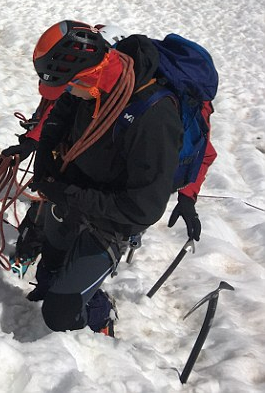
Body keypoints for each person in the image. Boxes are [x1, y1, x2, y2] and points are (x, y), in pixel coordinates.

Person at [13, 21, 182, 335]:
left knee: (59, 314)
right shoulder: (90, 88)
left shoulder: (154, 117)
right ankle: (62, 284)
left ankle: (100, 314)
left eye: (69, 86)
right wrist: (46, 171)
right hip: (71, 193)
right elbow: (57, 119)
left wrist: (68, 194)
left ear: (87, 77)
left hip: (111, 220)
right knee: (49, 275)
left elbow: (143, 207)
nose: (66, 93)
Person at [5, 23, 216, 258]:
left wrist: (188, 197)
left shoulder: (157, 113)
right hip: (83, 180)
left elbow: (201, 151)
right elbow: (60, 110)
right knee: (49, 219)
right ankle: (34, 246)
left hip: (118, 201)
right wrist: (34, 144)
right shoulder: (94, 78)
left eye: (71, 86)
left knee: (80, 256)